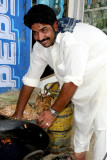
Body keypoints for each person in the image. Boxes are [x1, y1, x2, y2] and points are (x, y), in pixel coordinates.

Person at [13, 4, 107, 160]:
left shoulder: (73, 41)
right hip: (84, 84)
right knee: (82, 123)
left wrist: (53, 112)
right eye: (35, 33)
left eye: (44, 30)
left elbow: (72, 81)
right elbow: (30, 79)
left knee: (102, 128)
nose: (40, 37)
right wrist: (18, 114)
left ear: (55, 26)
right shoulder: (40, 47)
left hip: (104, 79)